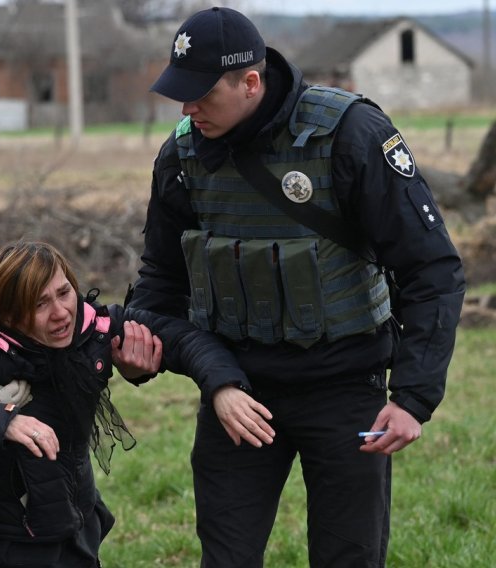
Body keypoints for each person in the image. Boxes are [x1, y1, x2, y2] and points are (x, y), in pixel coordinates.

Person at [125, 7, 466, 567]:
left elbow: (432, 268)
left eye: (201, 95)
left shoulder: (351, 135)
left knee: (347, 558)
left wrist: (412, 398)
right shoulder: (183, 155)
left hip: (345, 387)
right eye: (180, 94)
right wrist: (140, 351)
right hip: (237, 392)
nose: (186, 109)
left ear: (250, 83)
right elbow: (163, 276)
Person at [0, 240, 163, 568]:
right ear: (9, 313)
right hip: (3, 541)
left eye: (63, 293)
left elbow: (177, 337)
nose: (60, 313)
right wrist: (5, 421)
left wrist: (221, 384)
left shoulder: (91, 329)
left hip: (76, 525)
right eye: (40, 303)